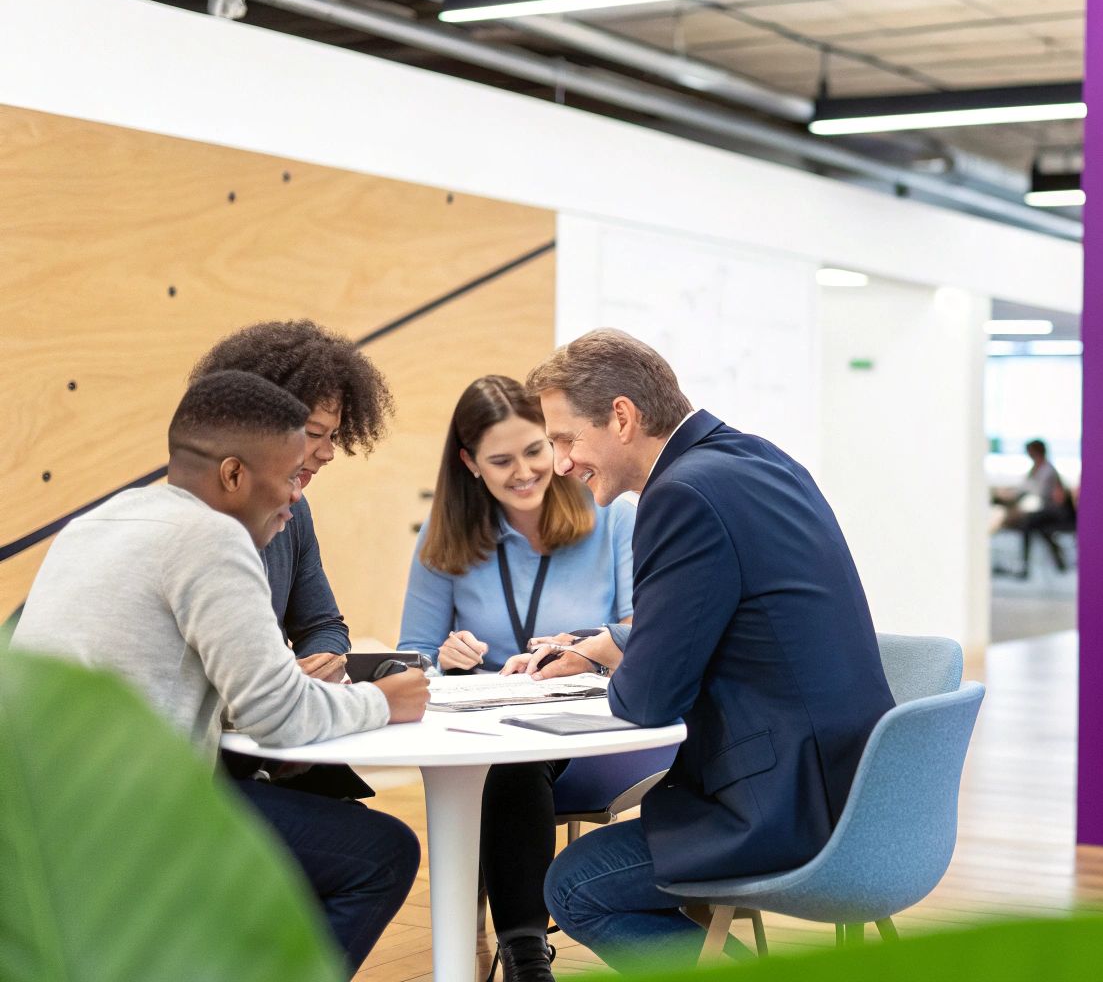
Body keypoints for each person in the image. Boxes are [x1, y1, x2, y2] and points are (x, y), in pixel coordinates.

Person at [11, 370, 427, 977]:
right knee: (382, 853)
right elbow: (278, 718)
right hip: (127, 819)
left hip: (36, 809)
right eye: (289, 478)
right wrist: (384, 700)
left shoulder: (98, 521)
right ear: (233, 475)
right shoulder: (211, 538)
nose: (294, 499)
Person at [504, 329, 895, 970]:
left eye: (566, 439)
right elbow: (740, 617)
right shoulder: (756, 459)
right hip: (857, 786)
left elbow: (647, 702)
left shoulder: (679, 497)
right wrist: (614, 643)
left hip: (785, 805)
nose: (562, 462)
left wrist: (624, 661)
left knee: (575, 886)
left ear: (623, 418)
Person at [396, 375, 666, 982]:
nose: (524, 471)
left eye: (536, 450)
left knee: (511, 764)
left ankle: (520, 952)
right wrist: (445, 656)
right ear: (469, 463)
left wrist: (583, 648)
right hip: (496, 746)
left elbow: (642, 628)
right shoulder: (444, 541)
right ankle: (525, 957)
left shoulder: (614, 517)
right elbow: (409, 660)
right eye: (500, 459)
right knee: (510, 760)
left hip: (605, 739)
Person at [191, 319, 396, 799]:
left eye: (334, 436)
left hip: (269, 744)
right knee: (379, 849)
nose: (328, 453)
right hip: (199, 770)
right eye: (313, 434)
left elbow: (323, 622)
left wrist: (318, 662)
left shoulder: (293, 515)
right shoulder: (195, 527)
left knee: (358, 834)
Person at [1009, 439, 1075, 577]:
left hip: (1053, 511)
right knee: (1040, 529)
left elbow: (1043, 494)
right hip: (1041, 509)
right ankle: (1059, 562)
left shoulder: (1048, 471)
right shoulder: (1035, 469)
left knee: (1028, 524)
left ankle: (1025, 565)